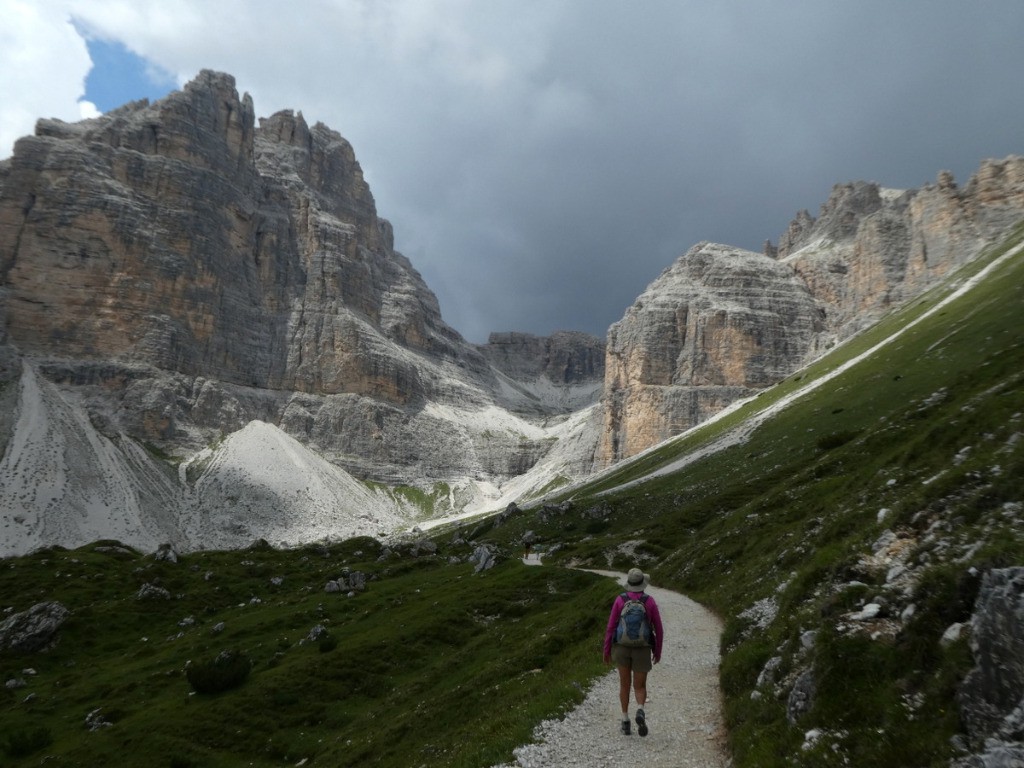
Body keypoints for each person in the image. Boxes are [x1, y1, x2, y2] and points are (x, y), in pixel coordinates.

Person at [602, 567, 664, 736]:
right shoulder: (649, 601)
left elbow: (610, 627)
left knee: (624, 685)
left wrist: (606, 649)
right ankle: (640, 709)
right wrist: (657, 651)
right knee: (640, 685)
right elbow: (658, 628)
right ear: (643, 584)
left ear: (629, 583)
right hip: (642, 649)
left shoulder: (620, 600)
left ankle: (625, 721)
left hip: (622, 647)